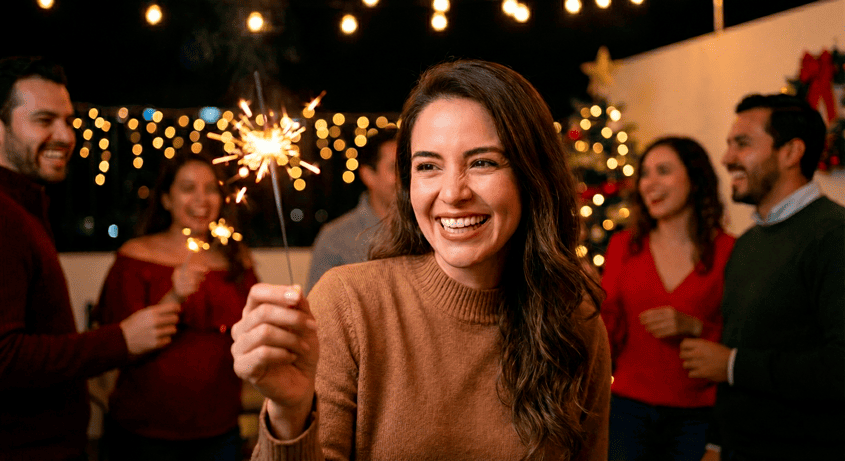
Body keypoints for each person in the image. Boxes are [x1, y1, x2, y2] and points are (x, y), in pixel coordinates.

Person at [231, 59, 612, 461]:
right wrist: (290, 414)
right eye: (428, 166)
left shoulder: (576, 321)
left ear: (533, 176)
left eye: (482, 162)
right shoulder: (349, 304)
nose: (452, 192)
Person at [0, 56, 181, 460]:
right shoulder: (4, 214)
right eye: (44, 120)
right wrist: (119, 340)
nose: (65, 135)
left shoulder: (25, 207)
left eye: (68, 121)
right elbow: (5, 357)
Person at [680, 94, 845, 460]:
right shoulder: (748, 244)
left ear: (791, 152)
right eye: (728, 145)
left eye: (742, 144)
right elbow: (735, 342)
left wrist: (734, 365)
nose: (726, 159)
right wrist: (715, 442)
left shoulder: (835, 236)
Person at [94, 153, 259, 460]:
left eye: (211, 189)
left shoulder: (237, 258)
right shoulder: (135, 256)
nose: (202, 199)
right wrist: (175, 295)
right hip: (145, 432)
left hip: (219, 427)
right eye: (188, 188)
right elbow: (116, 344)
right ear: (167, 200)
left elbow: (249, 330)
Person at [601, 137, 734, 461]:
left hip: (698, 417)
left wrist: (697, 328)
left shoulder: (731, 251)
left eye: (663, 171)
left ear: (695, 178)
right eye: (645, 173)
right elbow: (607, 336)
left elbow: (742, 343)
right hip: (627, 411)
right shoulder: (623, 246)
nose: (650, 183)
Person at [305, 127, 397, 293]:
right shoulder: (335, 239)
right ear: (368, 175)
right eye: (394, 168)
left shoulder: (426, 230)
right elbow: (317, 308)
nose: (405, 177)